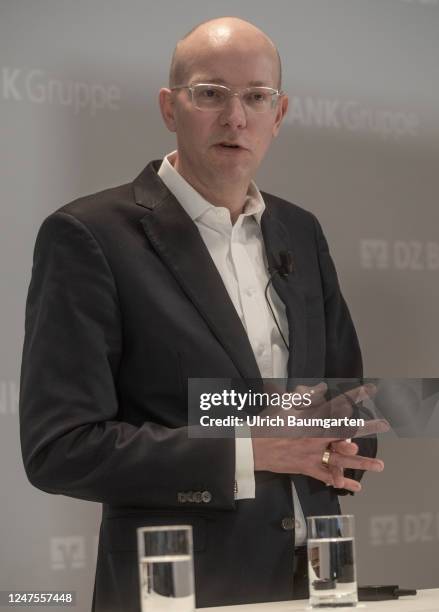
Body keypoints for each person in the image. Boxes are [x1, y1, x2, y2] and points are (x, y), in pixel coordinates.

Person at [19, 17, 385, 612]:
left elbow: (343, 398)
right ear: (170, 107)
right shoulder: (88, 236)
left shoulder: (300, 230)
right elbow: (60, 448)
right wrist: (252, 448)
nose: (236, 117)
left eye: (256, 97)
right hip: (175, 587)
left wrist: (342, 441)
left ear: (279, 112)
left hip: (316, 579)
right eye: (210, 94)